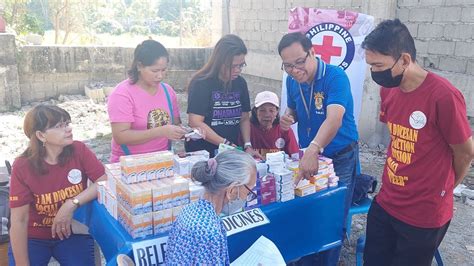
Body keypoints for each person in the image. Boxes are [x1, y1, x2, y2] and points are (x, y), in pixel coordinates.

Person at [361, 19, 474, 266]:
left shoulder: (443, 96)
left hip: (424, 215)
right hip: (386, 201)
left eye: (379, 65)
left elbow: (465, 153)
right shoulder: (388, 90)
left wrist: (443, 189)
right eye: (371, 66)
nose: (374, 73)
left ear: (404, 59)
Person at [278, 32, 360, 265]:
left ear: (313, 52)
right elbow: (294, 109)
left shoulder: (336, 77)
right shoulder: (292, 81)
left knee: (333, 216)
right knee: (308, 209)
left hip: (339, 157)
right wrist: (288, 117)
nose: (294, 70)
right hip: (310, 155)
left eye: (300, 62)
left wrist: (313, 149)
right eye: (288, 66)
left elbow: (333, 119)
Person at [8, 105, 106, 265]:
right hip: (34, 236)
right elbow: (19, 220)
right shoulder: (23, 166)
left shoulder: (78, 150)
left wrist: (71, 204)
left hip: (71, 230)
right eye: (59, 126)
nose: (68, 129)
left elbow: (103, 181)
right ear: (40, 135)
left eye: (67, 123)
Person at [165, 150, 257, 264]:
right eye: (248, 192)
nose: (246, 197)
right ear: (232, 190)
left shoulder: (189, 210)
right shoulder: (210, 232)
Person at [107, 39, 187, 162]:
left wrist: (184, 132)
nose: (160, 76)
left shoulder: (168, 92)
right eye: (155, 71)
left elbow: (175, 124)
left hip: (162, 162)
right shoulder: (122, 94)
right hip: (129, 165)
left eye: (164, 70)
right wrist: (160, 131)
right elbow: (120, 136)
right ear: (139, 66)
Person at [186, 34, 261, 159]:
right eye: (233, 66)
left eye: (241, 65)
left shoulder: (240, 83)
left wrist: (248, 145)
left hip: (229, 152)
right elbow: (195, 122)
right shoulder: (201, 83)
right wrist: (225, 143)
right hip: (202, 153)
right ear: (220, 62)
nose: (237, 70)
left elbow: (244, 118)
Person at [247, 90, 299, 159]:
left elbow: (295, 156)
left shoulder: (285, 130)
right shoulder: (247, 129)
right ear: (255, 111)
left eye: (271, 110)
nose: (267, 115)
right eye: (262, 110)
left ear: (277, 112)